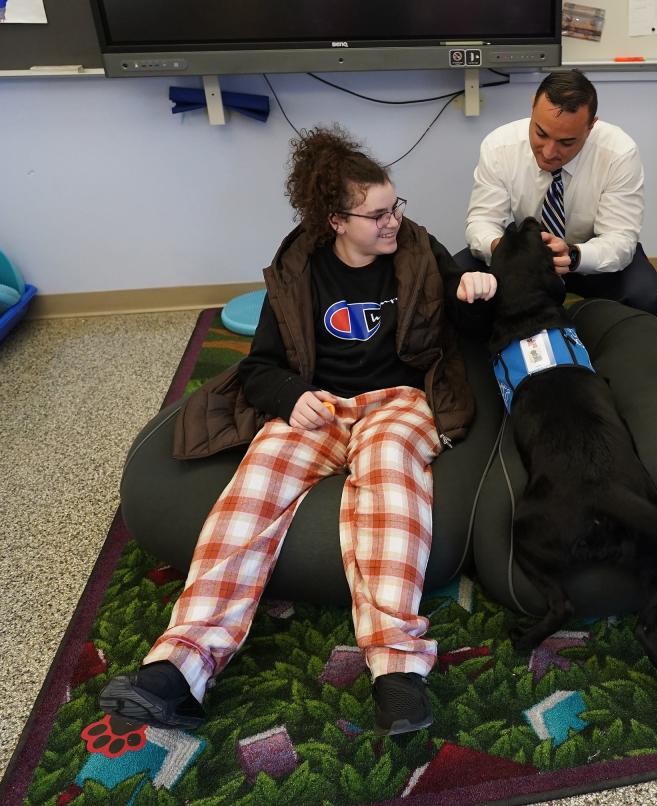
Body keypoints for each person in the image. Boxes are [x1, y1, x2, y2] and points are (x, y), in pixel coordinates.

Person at [100, 125, 497, 737]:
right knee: (250, 493)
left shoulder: (419, 250)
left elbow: (465, 315)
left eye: (397, 206)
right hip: (318, 406)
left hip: (399, 401)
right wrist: (293, 396)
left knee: (389, 477)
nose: (394, 221)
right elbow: (259, 367)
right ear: (337, 221)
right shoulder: (297, 271)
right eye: (377, 214)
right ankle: (179, 668)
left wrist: (475, 290)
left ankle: (397, 671)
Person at [463, 69, 657, 317]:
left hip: (586, 256)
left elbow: (620, 240)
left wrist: (573, 255)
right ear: (532, 107)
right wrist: (501, 248)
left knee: (645, 296)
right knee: (458, 282)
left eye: (566, 142)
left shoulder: (619, 153)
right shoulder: (499, 146)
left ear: (591, 126)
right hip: (522, 255)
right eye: (540, 133)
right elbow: (481, 222)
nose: (549, 152)